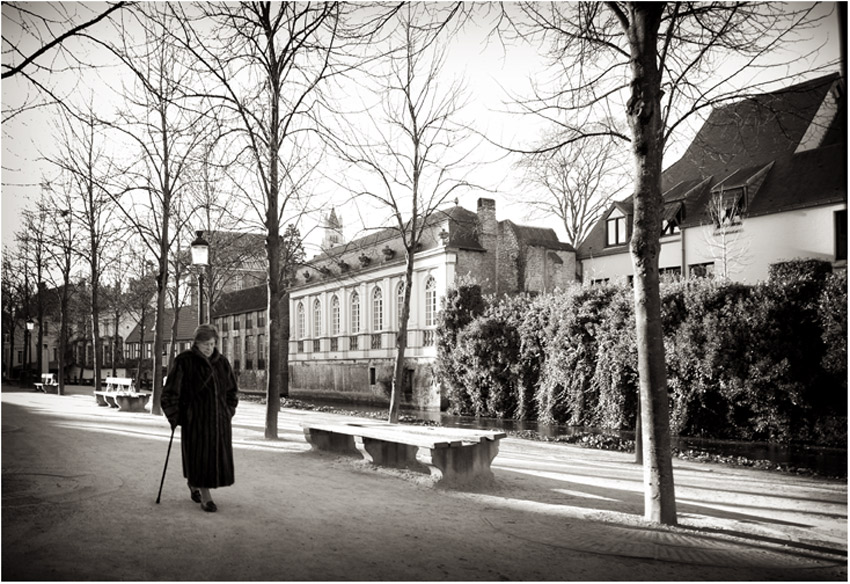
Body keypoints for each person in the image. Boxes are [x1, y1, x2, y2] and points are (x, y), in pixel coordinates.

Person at [161, 324, 238, 512]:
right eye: (205, 344)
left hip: (219, 422)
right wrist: (178, 417)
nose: (209, 348)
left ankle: (194, 484)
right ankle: (206, 496)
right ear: (196, 343)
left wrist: (227, 412)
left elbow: (232, 391)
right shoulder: (184, 361)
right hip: (196, 422)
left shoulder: (222, 363)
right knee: (200, 458)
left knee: (213, 458)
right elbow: (170, 393)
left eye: (212, 343)